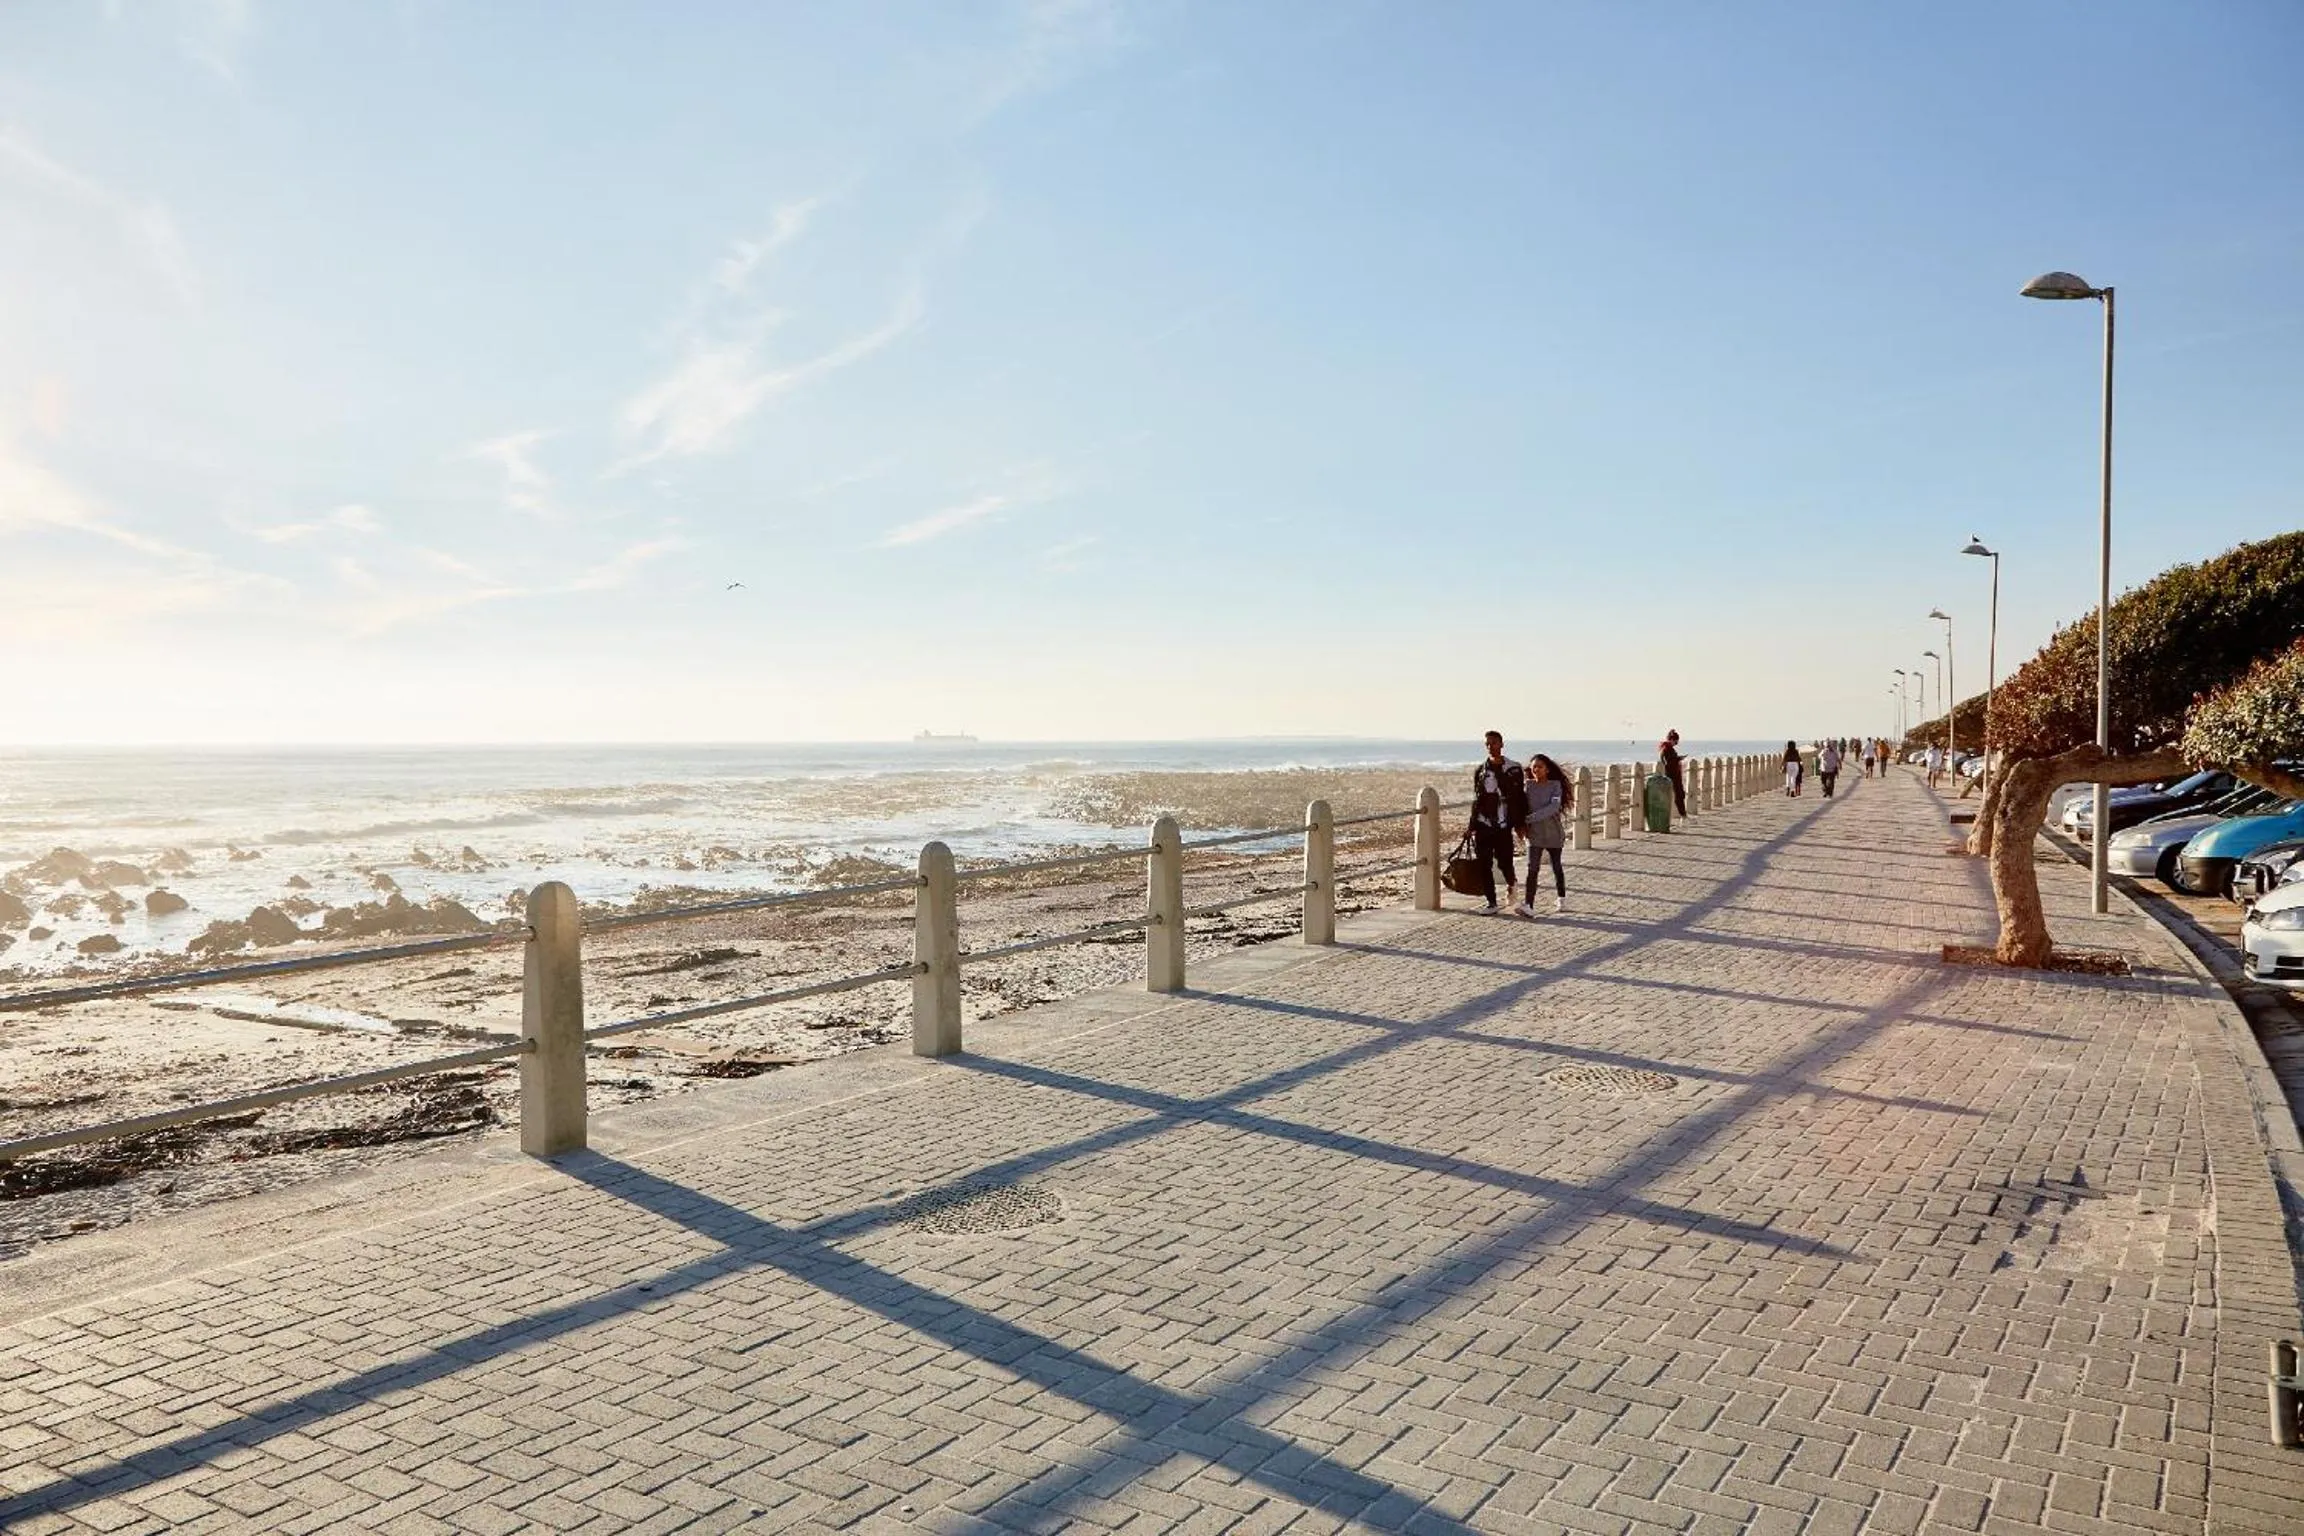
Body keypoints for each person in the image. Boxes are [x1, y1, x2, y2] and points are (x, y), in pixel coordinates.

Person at [1466, 731, 1528, 913]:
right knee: (1484, 864)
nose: (1490, 747)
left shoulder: (1514, 768)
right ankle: (1491, 902)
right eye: (1487, 744)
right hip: (1483, 823)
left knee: (1505, 862)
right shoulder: (1481, 771)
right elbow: (1477, 799)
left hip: (1503, 824)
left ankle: (1512, 882)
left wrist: (1520, 824)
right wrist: (1471, 826)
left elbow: (1519, 798)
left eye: (1493, 743)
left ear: (1501, 744)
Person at [1516, 753, 1569, 917]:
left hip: (1553, 832)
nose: (1536, 770)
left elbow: (1553, 807)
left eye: (1539, 767)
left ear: (1547, 769)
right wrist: (1520, 824)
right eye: (1533, 767)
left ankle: (1562, 897)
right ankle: (1529, 905)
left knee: (1556, 866)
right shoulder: (1528, 786)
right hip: (1535, 834)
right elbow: (1520, 805)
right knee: (1532, 868)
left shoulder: (1555, 785)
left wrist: (1530, 818)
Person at [1656, 729, 1687, 818]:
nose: (1676, 743)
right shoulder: (1666, 748)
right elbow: (1668, 762)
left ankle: (1683, 814)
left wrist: (1678, 758)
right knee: (1679, 795)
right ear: (1672, 740)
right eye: (1676, 741)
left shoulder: (1668, 748)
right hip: (1672, 775)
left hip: (1674, 774)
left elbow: (1670, 759)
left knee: (1680, 794)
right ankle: (1682, 815)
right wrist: (1678, 759)